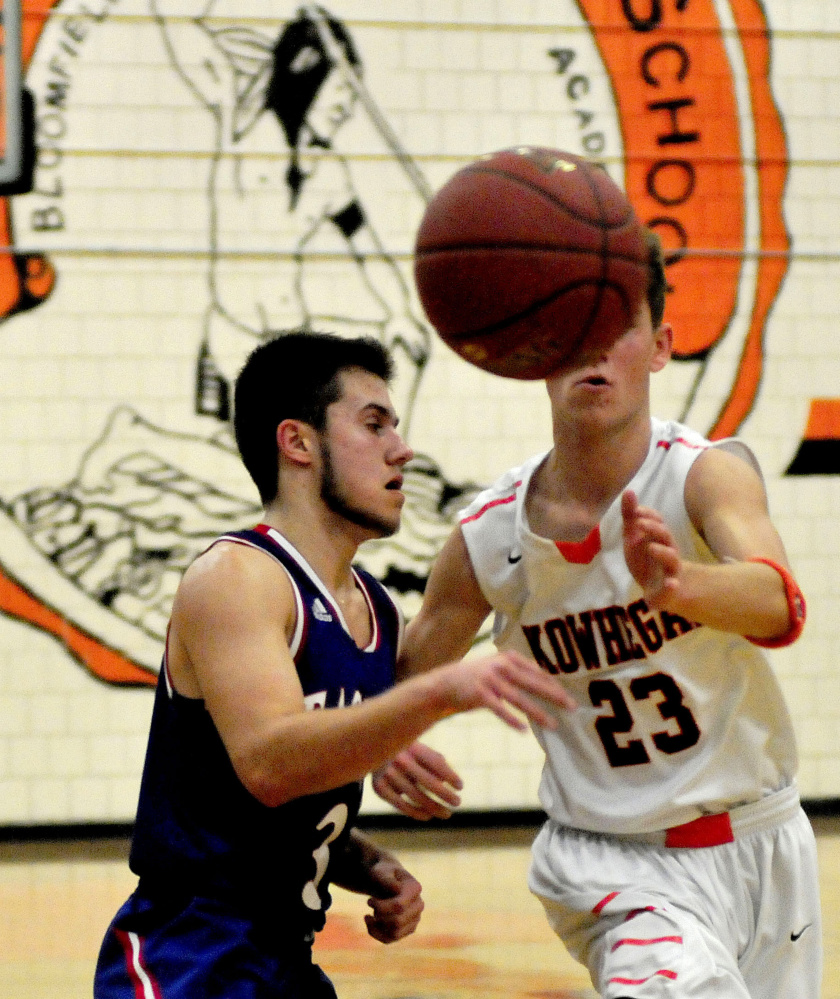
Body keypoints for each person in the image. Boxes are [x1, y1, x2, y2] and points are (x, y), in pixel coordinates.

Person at [375, 229, 822, 998]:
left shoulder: (703, 477)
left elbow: (778, 601)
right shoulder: (491, 537)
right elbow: (408, 673)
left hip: (763, 839)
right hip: (613, 860)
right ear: (534, 351)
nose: (596, 351)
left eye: (617, 328)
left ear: (659, 347)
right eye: (573, 330)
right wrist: (383, 739)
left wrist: (683, 587)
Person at [93, 331, 575, 999]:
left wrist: (361, 858)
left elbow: (285, 807)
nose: (400, 449)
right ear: (297, 442)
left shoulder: (372, 609)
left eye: (395, 427)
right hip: (188, 958)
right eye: (373, 424)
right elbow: (271, 764)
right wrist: (440, 691)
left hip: (284, 962)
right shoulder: (237, 576)